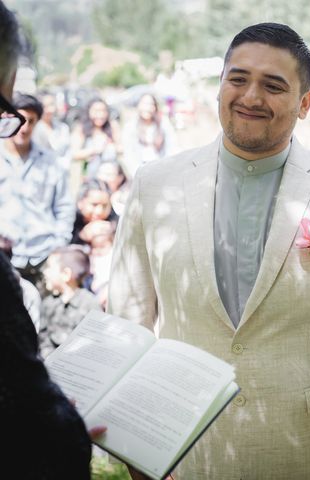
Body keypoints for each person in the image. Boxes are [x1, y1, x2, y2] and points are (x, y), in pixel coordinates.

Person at [109, 22, 310, 479]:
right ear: (220, 86)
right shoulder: (155, 184)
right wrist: (135, 449)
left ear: (305, 103)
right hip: (188, 453)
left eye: (273, 86)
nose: (250, 97)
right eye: (238, 79)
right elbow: (128, 319)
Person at [0, 2, 96, 477]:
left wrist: (57, 246)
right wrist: (58, 428)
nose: (12, 127)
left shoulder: (54, 163)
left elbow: (64, 210)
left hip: (41, 254)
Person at [0, 92, 75, 291]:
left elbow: (64, 206)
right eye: (19, 120)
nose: (24, 128)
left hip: (43, 258)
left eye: (31, 121)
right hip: (5, 260)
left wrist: (58, 246)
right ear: (6, 118)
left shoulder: (51, 162)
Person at [39, 245, 102, 358]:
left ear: (66, 274)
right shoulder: (48, 303)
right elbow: (42, 337)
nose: (45, 272)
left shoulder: (89, 304)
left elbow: (95, 340)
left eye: (49, 267)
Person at [121, 92, 178, 177]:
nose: (147, 108)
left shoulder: (163, 124)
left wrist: (167, 168)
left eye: (151, 104)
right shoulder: (131, 127)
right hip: (139, 171)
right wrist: (137, 175)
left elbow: (172, 146)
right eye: (144, 104)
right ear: (138, 106)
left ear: (155, 107)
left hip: (161, 167)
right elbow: (129, 154)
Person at [69, 97, 120, 180]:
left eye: (103, 111)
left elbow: (121, 148)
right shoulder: (81, 128)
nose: (100, 115)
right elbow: (74, 154)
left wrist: (110, 146)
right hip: (91, 178)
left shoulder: (113, 126)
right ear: (89, 111)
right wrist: (93, 150)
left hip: (111, 177)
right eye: (96, 111)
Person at [32, 92, 71, 163]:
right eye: (45, 106)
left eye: (51, 105)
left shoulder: (63, 128)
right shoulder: (34, 129)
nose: (50, 110)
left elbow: (67, 154)